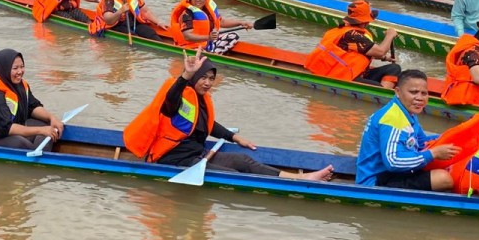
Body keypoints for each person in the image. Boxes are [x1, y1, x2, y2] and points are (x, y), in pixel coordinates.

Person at [124, 48, 333, 180]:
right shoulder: (179, 96)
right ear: (193, 77)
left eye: (211, 78)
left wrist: (234, 137)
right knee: (232, 175)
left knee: (243, 160)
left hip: (195, 154)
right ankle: (297, 180)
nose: (207, 82)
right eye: (202, 77)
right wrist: (185, 75)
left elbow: (207, 125)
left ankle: (301, 178)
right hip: (171, 159)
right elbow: (170, 102)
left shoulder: (200, 99)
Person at [355, 69, 459, 190]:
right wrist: (434, 153)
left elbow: (422, 142)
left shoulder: (407, 113)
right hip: (376, 180)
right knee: (443, 178)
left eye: (424, 93)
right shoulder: (393, 119)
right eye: (413, 92)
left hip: (393, 173)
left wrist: (450, 137)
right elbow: (393, 162)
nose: (419, 98)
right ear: (398, 92)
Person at [304, 0, 401, 87]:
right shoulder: (352, 35)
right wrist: (390, 35)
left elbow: (359, 52)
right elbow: (380, 51)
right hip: (342, 76)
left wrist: (385, 58)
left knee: (394, 68)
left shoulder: (345, 31)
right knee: (378, 87)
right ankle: (384, 96)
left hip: (355, 72)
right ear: (365, 22)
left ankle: (386, 92)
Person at [169, 0, 252, 54]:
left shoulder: (208, 10)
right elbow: (187, 36)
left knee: (232, 36)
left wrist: (241, 23)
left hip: (206, 42)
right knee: (200, 52)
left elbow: (221, 22)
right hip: (190, 46)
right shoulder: (187, 14)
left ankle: (212, 53)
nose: (198, 0)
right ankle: (212, 54)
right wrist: (208, 37)